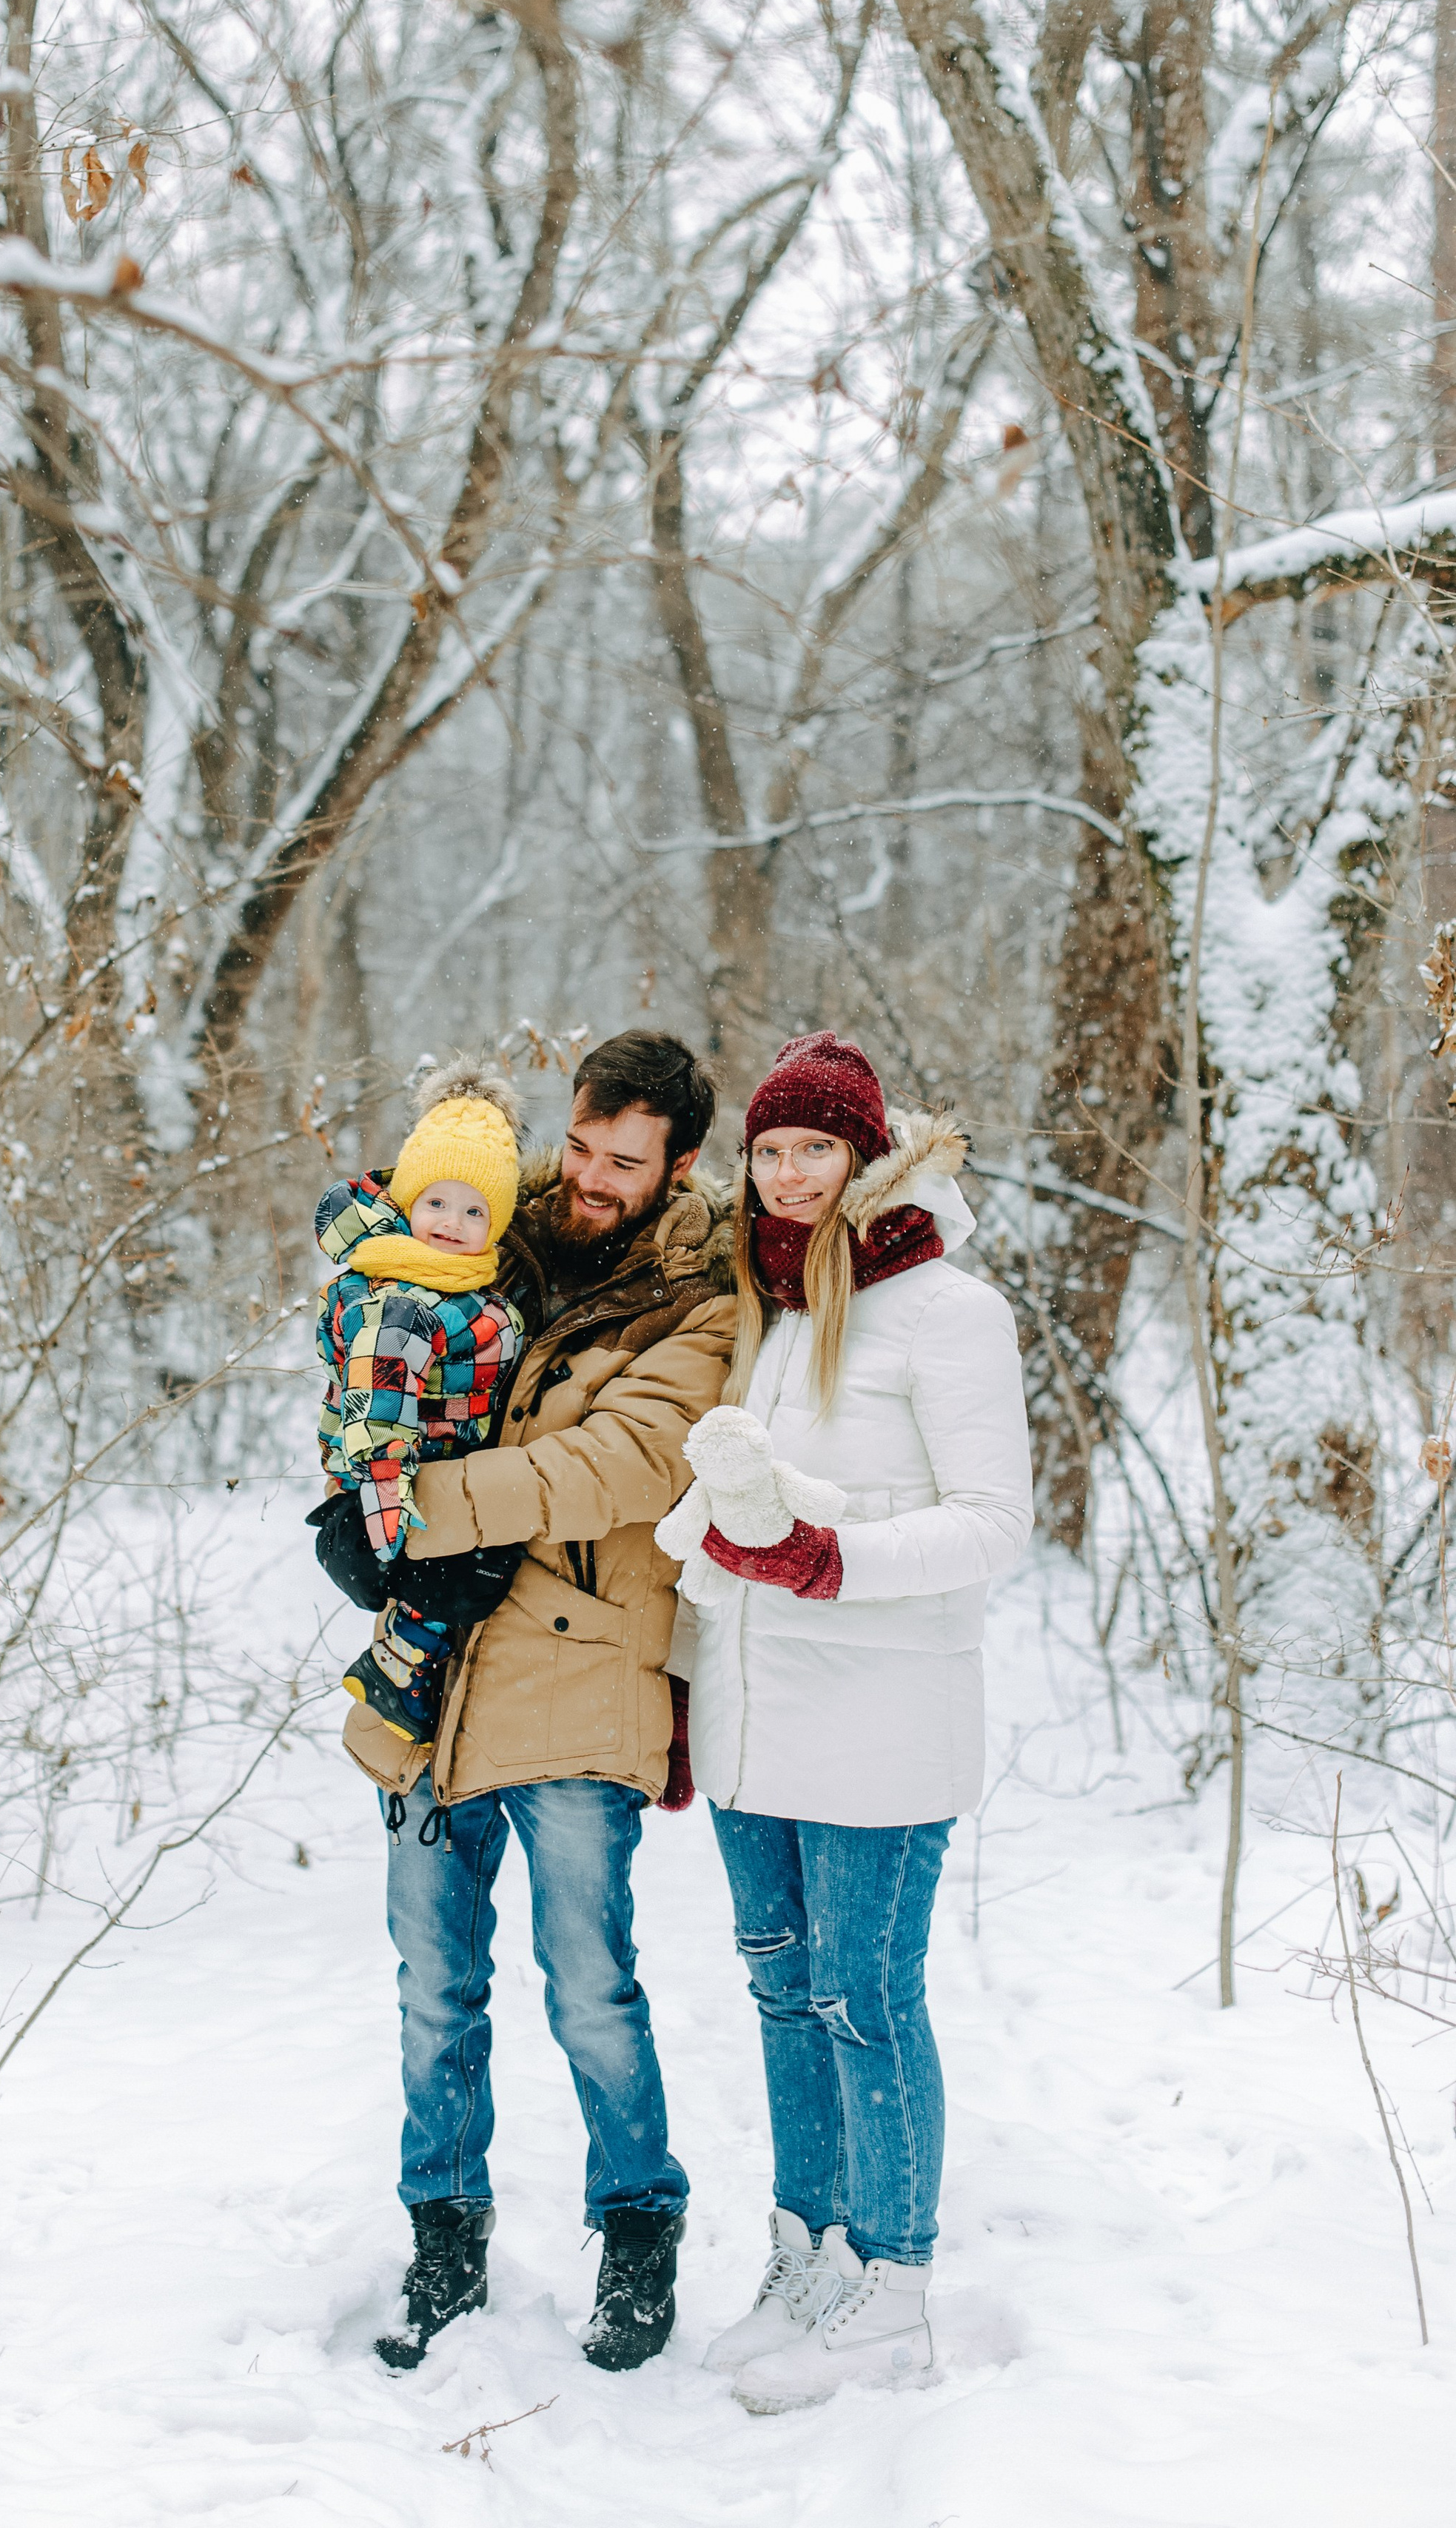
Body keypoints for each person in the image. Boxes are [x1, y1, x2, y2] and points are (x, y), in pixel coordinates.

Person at [315, 1030, 732, 2376]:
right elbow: (387, 1371)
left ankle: (639, 2230)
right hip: (436, 1668)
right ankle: (444, 2237)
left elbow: (621, 1463)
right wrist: (352, 1511)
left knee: (590, 1983)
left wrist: (406, 1517)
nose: (592, 1178)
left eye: (626, 1162)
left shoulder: (702, 1300)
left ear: (678, 1166)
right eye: (584, 1145)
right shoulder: (488, 1233)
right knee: (434, 1987)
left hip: (580, 1676)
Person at [662, 1033, 1031, 2414]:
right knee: (780, 1996)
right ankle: (809, 2254)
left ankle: (894, 2289)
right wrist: (686, 1687)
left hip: (882, 1717)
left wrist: (833, 1557)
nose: (788, 1171)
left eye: (815, 1146)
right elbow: (734, 1506)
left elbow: (994, 1523)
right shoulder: (769, 1305)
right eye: (768, 1149)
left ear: (867, 1155)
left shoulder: (948, 1311)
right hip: (755, 1717)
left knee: (864, 2000)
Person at [313, 1064, 527, 1741]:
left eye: (475, 1211)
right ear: (408, 1203)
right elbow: (379, 1408)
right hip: (404, 1476)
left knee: (458, 1578)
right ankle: (397, 1671)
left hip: (433, 1466)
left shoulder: (458, 1284)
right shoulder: (405, 1296)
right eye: (436, 1203)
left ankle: (401, 1665)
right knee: (462, 1579)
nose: (452, 1223)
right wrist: (387, 1515)